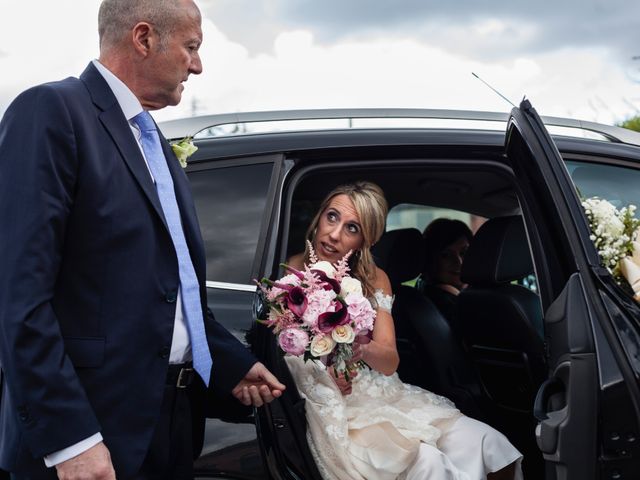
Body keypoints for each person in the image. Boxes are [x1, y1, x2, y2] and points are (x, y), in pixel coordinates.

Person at [0, 1, 284, 479]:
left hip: (168, 425)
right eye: (191, 47)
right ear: (144, 38)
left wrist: (231, 364)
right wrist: (71, 440)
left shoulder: (151, 139)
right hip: (90, 435)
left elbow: (172, 291)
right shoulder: (51, 111)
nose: (197, 64)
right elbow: (18, 296)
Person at [286, 181, 521, 480]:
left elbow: (389, 361)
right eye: (332, 217)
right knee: (428, 462)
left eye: (352, 228)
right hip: (332, 400)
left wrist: (357, 347)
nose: (334, 234)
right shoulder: (285, 275)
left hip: (376, 390)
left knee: (489, 442)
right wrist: (325, 373)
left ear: (365, 241)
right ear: (319, 216)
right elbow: (282, 351)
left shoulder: (375, 278)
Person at [419, 218, 474, 326]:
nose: (459, 262)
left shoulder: (422, 289)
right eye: (446, 255)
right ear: (430, 259)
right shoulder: (446, 304)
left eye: (464, 253)